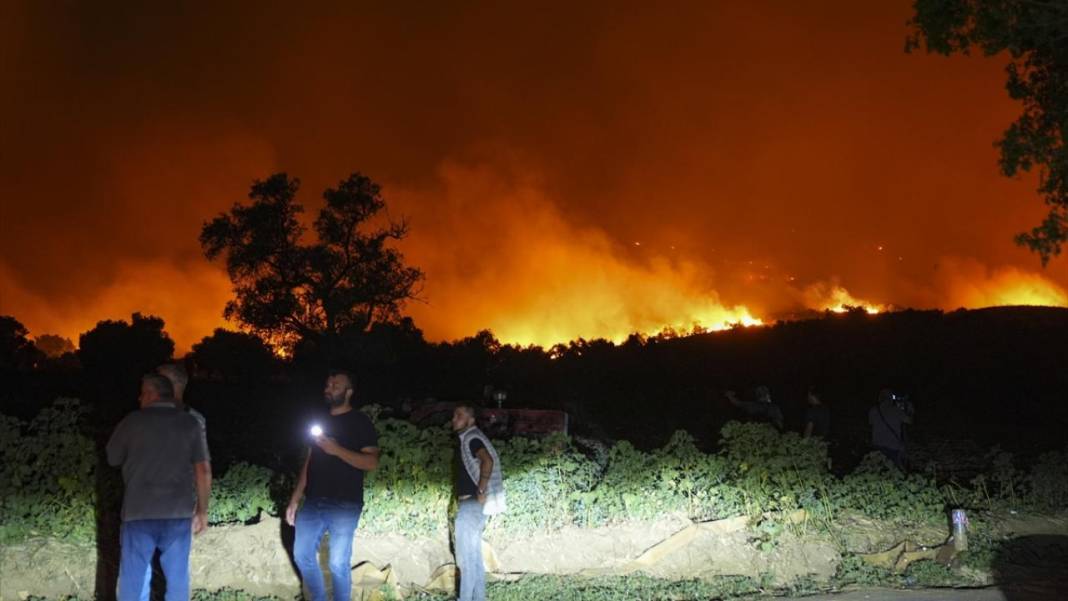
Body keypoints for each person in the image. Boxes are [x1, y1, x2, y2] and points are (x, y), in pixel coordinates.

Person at [106, 373, 211, 601]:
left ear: (152, 394)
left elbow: (112, 458)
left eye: (143, 393)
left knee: (132, 581)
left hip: (138, 514)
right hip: (178, 514)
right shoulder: (190, 423)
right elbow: (203, 470)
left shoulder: (132, 421)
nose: (139, 398)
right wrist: (202, 510)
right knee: (178, 580)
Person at [286, 371, 380, 601]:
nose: (328, 388)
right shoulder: (321, 421)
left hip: (345, 503)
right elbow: (309, 461)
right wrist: (295, 498)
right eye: (327, 384)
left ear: (349, 392)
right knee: (301, 554)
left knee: (338, 563)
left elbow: (371, 462)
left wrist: (336, 450)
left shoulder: (360, 422)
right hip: (314, 500)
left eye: (335, 385)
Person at [451, 403, 506, 601]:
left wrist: (481, 489)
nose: (454, 419)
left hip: (471, 506)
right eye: (454, 416)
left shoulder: (472, 438)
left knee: (467, 561)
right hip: (475, 507)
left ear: (471, 420)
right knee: (474, 560)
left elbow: (487, 461)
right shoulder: (473, 437)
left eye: (459, 415)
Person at [868, 388, 913, 470]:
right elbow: (909, 421)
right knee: (896, 469)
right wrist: (909, 410)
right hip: (893, 447)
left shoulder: (873, 411)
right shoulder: (897, 411)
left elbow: (871, 423)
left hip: (877, 446)